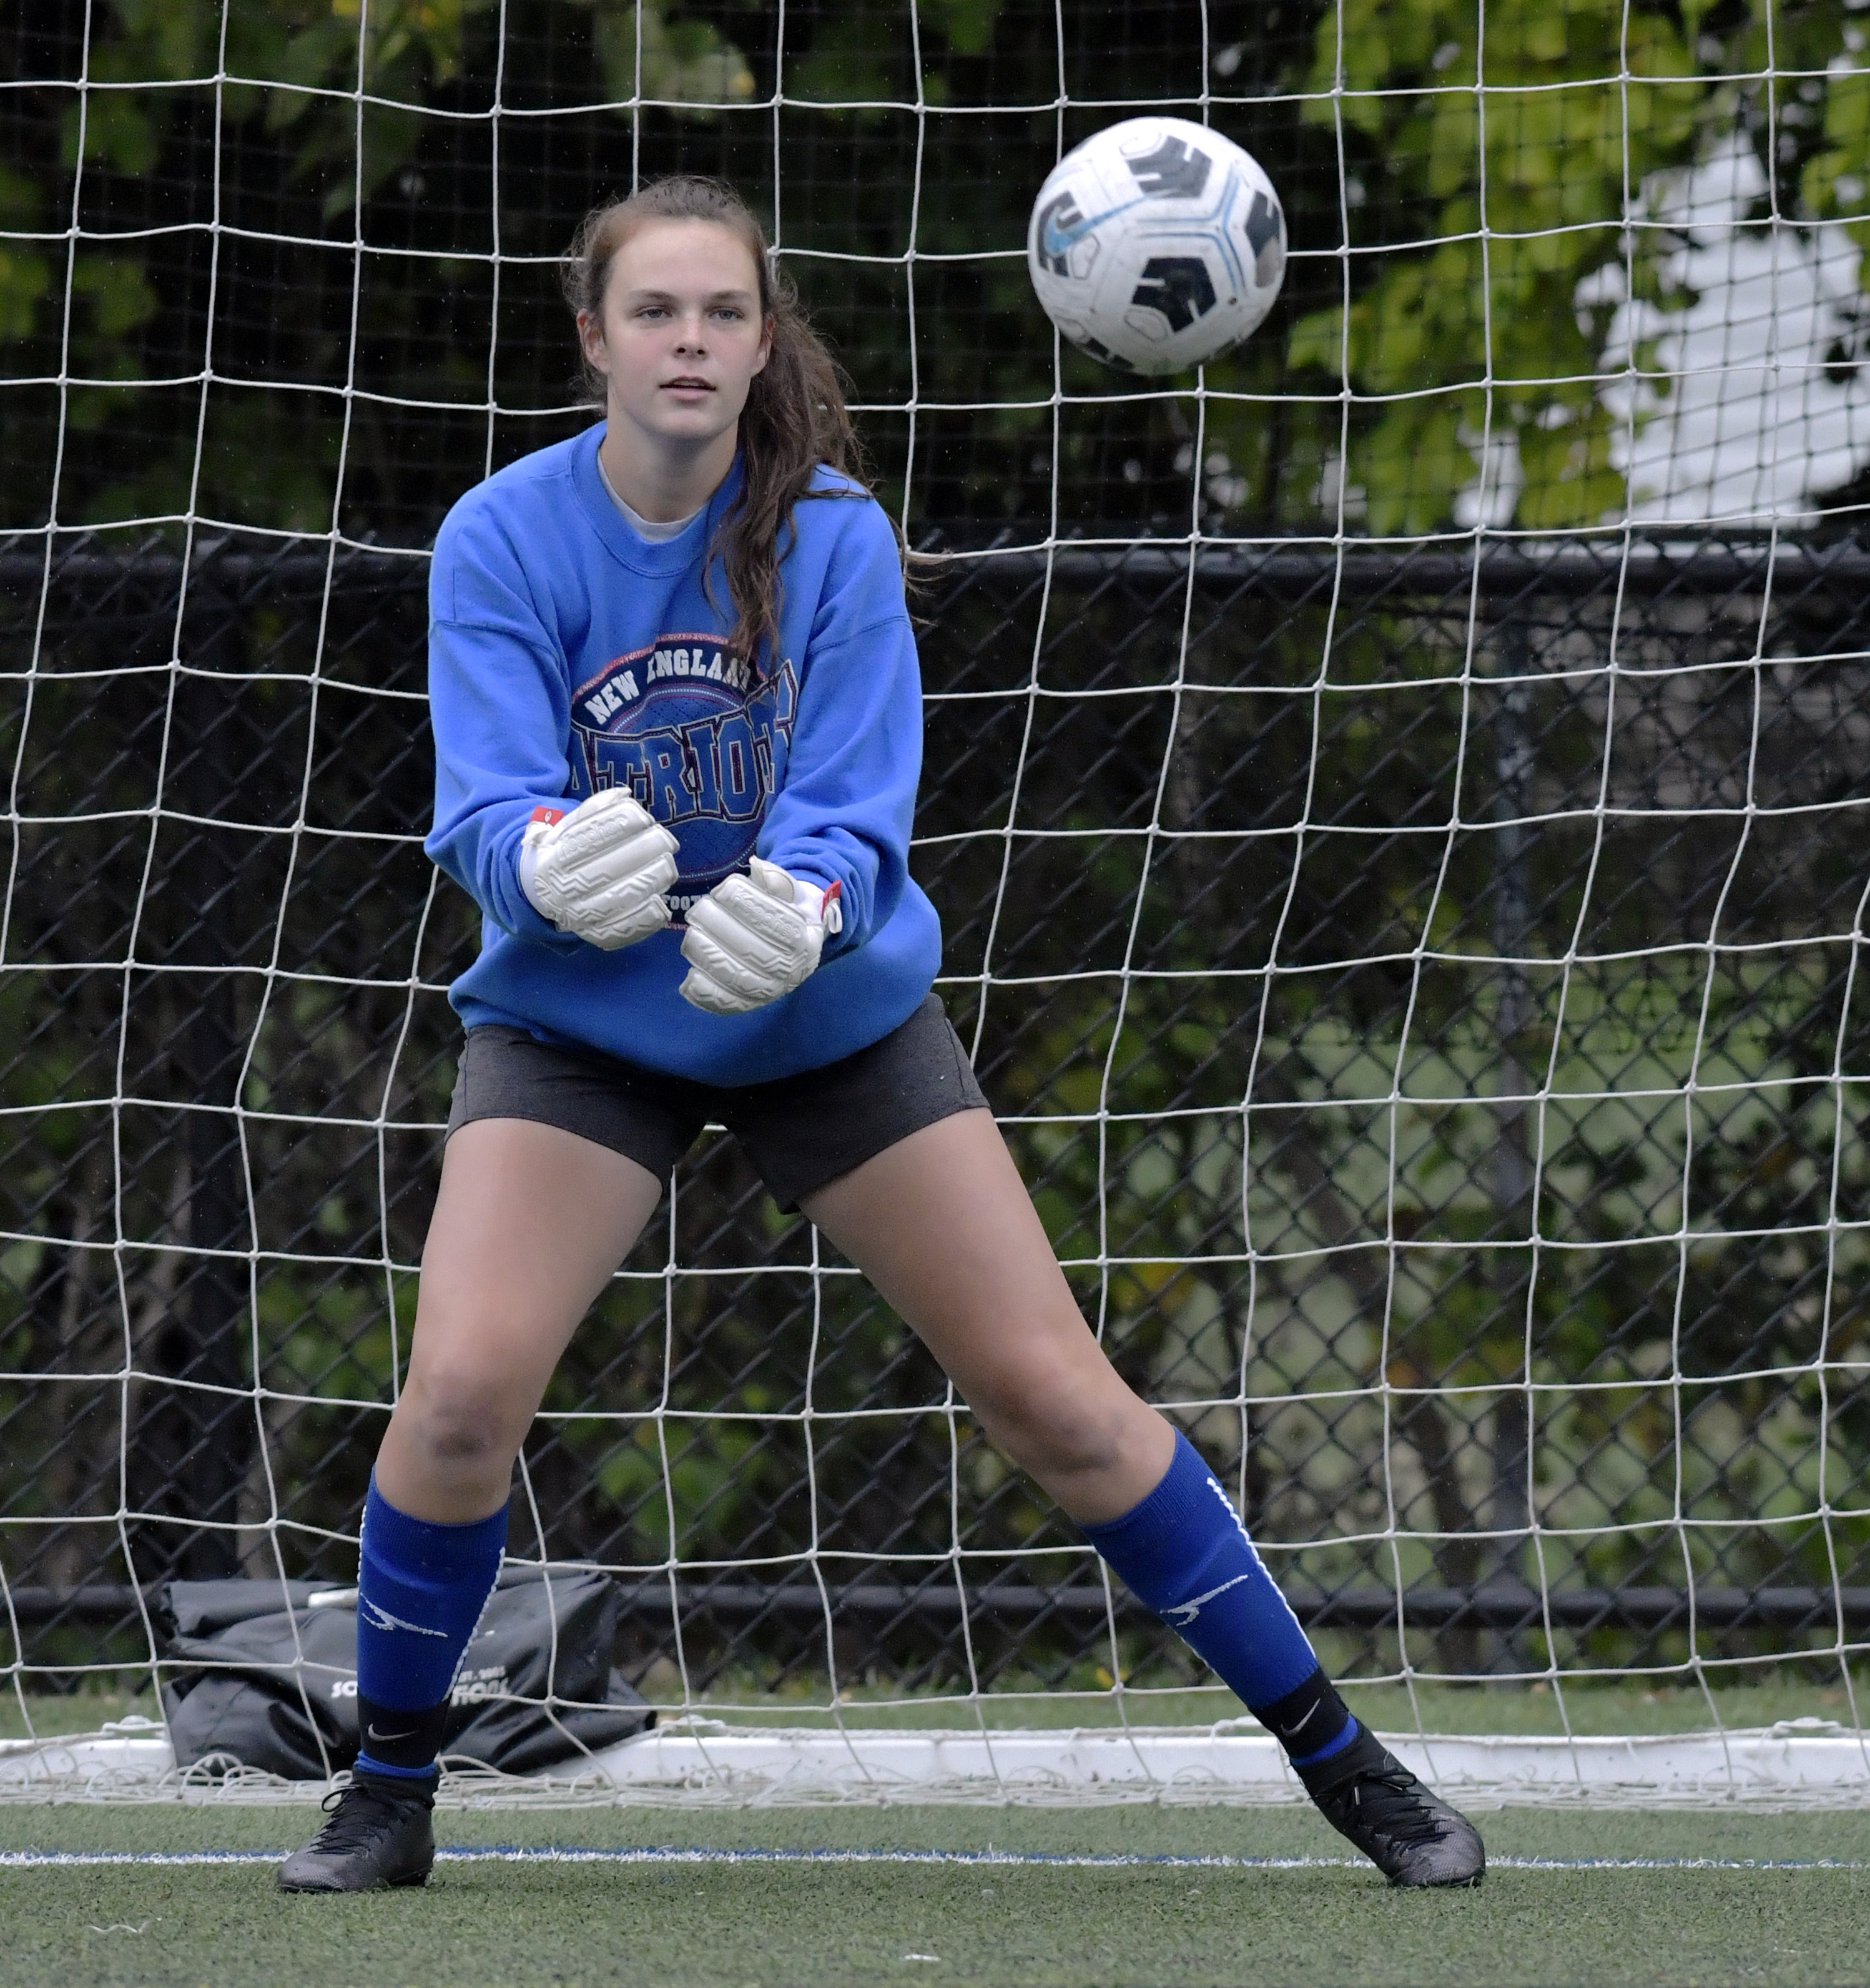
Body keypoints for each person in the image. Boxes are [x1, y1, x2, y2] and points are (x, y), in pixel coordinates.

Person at [273, 175, 1482, 1894]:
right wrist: (544, 862)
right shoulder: (501, 536)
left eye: (722, 315)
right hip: (583, 1028)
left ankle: (1349, 1766)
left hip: (828, 1022)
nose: (689, 344)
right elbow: (481, 810)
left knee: (1057, 1400)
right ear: (593, 338)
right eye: (654, 314)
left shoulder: (828, 531)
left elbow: (852, 806)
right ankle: (389, 1792)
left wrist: (815, 906)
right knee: (462, 1394)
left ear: (765, 342)